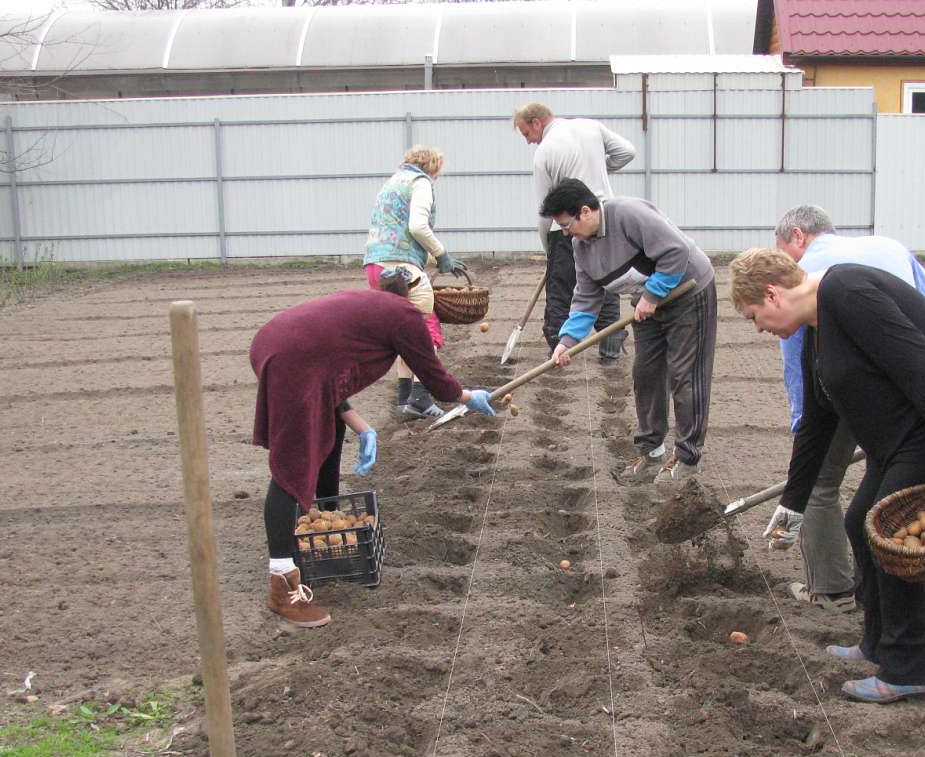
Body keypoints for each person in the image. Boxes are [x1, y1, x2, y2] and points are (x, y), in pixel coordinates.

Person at [729, 248, 925, 703]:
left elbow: (917, 360)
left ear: (772, 294)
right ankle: (877, 641)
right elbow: (816, 423)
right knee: (860, 522)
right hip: (904, 433)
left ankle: (910, 667)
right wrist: (792, 505)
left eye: (754, 316)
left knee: (888, 534)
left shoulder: (847, 292)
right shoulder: (817, 327)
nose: (759, 328)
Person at [250, 270, 498, 629]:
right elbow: (434, 379)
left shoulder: (371, 305)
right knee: (293, 464)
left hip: (276, 345)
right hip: (293, 360)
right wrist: (467, 396)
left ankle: (325, 519)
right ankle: (281, 583)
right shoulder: (405, 316)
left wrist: (361, 427)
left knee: (328, 429)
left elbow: (326, 369)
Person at [766, 205, 925, 615]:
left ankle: (832, 589)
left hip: (856, 383)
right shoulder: (889, 247)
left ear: (798, 236)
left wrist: (803, 422)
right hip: (918, 388)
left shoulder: (804, 279)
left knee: (823, 483)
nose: (784, 261)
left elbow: (800, 357)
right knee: (878, 502)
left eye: (782, 249)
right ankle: (880, 601)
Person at [540, 178, 717, 483]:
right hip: (645, 304)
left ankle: (688, 458)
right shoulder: (581, 246)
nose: (565, 232)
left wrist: (653, 294)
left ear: (586, 211)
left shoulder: (628, 214)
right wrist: (566, 341)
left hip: (688, 291)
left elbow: (676, 251)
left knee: (685, 375)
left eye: (567, 224)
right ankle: (651, 451)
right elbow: (586, 297)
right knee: (645, 374)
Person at [513, 102, 635, 363]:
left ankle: (558, 349)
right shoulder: (591, 126)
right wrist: (601, 169)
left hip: (567, 226)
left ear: (537, 122)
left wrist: (549, 250)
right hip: (603, 219)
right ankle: (611, 346)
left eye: (526, 133)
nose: (528, 141)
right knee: (608, 279)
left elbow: (545, 210)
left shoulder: (545, 152)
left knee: (561, 290)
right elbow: (628, 152)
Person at [364, 145, 466, 420]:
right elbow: (417, 226)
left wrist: (431, 257)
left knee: (401, 330)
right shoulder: (421, 183)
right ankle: (420, 397)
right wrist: (441, 254)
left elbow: (396, 231)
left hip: (375, 266)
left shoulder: (392, 182)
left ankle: (404, 398)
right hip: (401, 268)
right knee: (425, 328)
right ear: (433, 167)